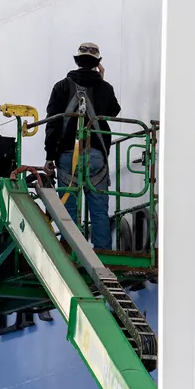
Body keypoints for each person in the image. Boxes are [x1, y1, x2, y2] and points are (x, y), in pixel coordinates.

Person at [43, 42, 121, 249]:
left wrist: (49, 156)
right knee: (99, 211)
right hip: (96, 156)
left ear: (77, 61)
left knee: (69, 210)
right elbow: (113, 112)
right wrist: (101, 81)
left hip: (68, 155)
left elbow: (52, 123)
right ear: (97, 63)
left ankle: (72, 251)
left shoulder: (61, 87)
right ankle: (102, 254)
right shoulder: (105, 88)